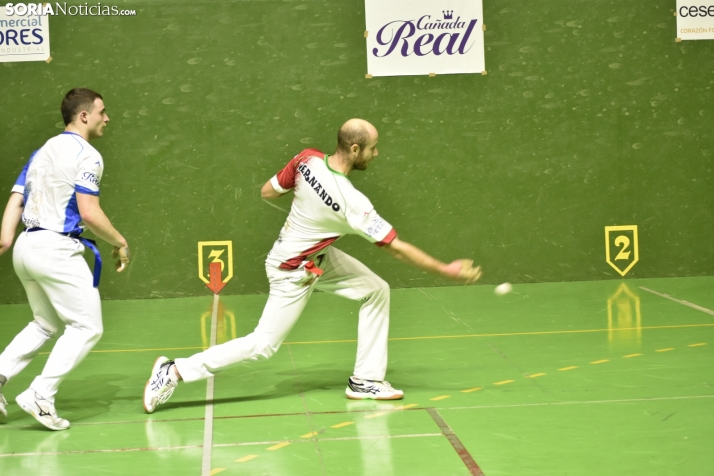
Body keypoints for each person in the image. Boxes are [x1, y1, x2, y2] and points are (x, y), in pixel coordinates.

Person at [142, 118, 481, 413]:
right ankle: (174, 371)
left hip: (311, 258)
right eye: (373, 148)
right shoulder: (353, 202)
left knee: (376, 290)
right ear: (354, 148)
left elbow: (268, 192)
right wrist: (445, 270)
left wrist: (307, 215)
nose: (377, 154)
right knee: (263, 346)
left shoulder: (307, 160)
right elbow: (396, 249)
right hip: (292, 270)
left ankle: (366, 380)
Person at [0, 88, 130, 431]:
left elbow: (17, 198)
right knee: (87, 326)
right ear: (84, 116)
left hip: (25, 248)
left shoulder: (41, 151)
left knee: (45, 323)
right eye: (102, 112)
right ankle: (40, 394)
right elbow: (89, 213)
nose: (107, 118)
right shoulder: (88, 155)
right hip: (56, 251)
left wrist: (5, 238)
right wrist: (119, 241)